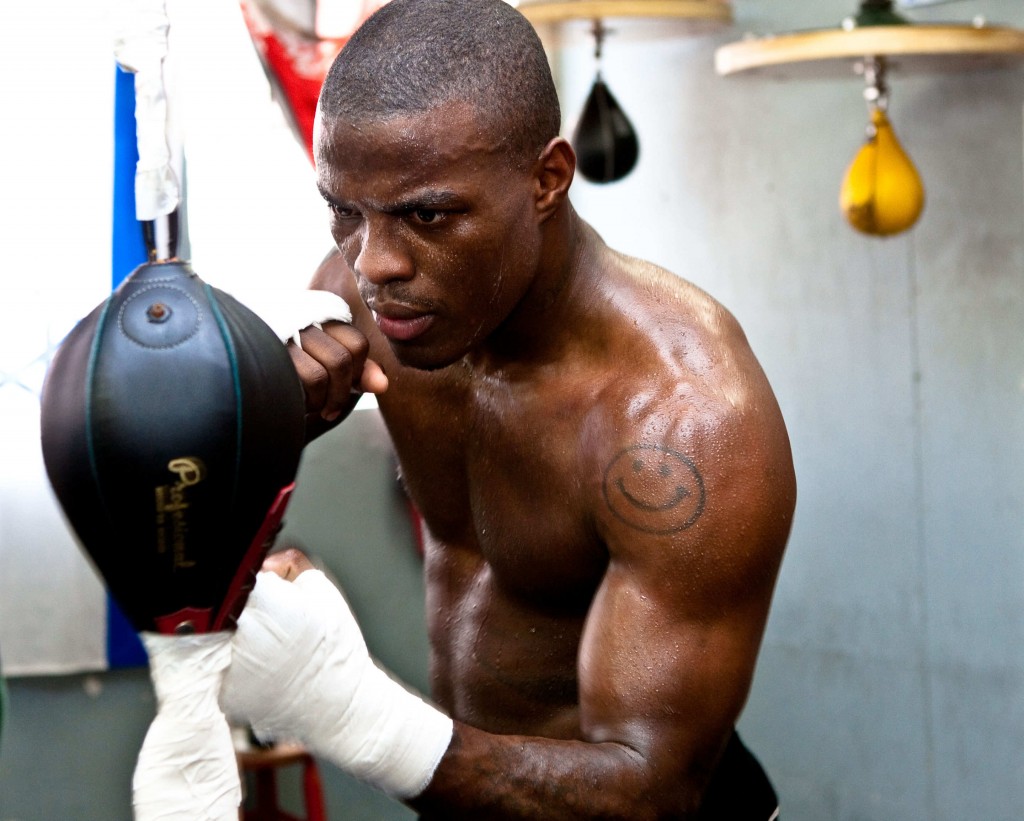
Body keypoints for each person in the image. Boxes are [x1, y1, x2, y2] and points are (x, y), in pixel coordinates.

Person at [221, 0, 797, 818]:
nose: (374, 263)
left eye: (428, 214)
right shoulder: (365, 296)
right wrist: (263, 452)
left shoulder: (679, 418)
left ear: (547, 179)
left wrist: (346, 709)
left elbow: (653, 791)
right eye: (345, 209)